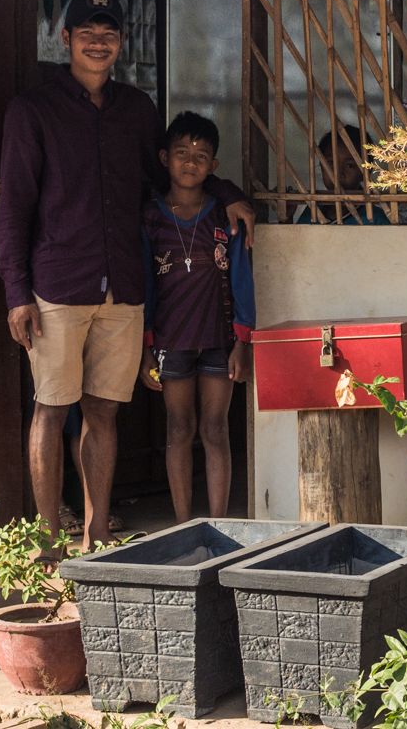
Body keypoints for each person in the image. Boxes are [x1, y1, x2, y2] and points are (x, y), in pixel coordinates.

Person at [0, 0, 255, 551]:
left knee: (104, 411)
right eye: (87, 32)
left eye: (108, 33)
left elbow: (171, 177)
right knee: (50, 407)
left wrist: (227, 191)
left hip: (125, 290)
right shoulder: (32, 111)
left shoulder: (137, 111)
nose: (98, 42)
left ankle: (94, 532)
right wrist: (17, 291)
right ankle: (44, 545)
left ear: (119, 44)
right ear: (64, 39)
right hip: (57, 285)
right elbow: (14, 206)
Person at [138, 112, 254, 523]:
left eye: (201, 156)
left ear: (214, 167)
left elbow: (241, 276)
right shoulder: (150, 216)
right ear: (165, 157)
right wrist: (147, 347)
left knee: (216, 429)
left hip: (220, 340)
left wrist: (244, 340)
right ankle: (184, 522)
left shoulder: (226, 215)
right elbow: (146, 286)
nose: (190, 163)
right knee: (178, 429)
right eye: (182, 153)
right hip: (171, 341)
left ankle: (220, 522)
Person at [294, 125, 392, 225]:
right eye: (330, 163)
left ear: (366, 170)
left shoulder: (374, 219)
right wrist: (287, 219)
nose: (338, 173)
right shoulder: (313, 212)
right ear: (321, 165)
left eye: (350, 165)